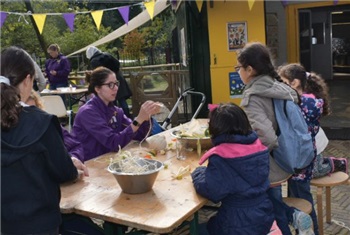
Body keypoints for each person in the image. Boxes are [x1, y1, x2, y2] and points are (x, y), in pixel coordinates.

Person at [238, 42, 314, 235]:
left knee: (270, 212)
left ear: (249, 69)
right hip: (289, 156)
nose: (238, 71)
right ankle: (292, 217)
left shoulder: (253, 96)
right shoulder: (280, 86)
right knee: (275, 207)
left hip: (269, 166)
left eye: (239, 67)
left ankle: (288, 219)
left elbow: (268, 139)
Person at [1, 46, 78, 235]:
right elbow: (64, 172)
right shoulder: (41, 121)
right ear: (28, 80)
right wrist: (72, 165)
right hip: (40, 221)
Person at [191, 103, 274, 235]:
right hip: (264, 215)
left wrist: (197, 173)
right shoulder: (258, 148)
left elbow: (211, 191)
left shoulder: (221, 158)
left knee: (196, 231)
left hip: (236, 223)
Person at [278, 63, 347, 188]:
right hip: (307, 150)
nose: (281, 86)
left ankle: (336, 164)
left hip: (309, 149)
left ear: (294, 83)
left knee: (314, 173)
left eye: (283, 82)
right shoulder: (299, 101)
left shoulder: (304, 104)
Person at [72, 66, 161, 161]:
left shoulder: (115, 110)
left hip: (109, 160)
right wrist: (138, 120)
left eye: (116, 83)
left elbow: (139, 136)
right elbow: (113, 143)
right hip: (89, 165)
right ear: (97, 89)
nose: (116, 88)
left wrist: (146, 118)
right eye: (110, 85)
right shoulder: (87, 113)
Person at [26, 90, 88, 170]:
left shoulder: (50, 126)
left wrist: (72, 159)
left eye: (35, 110)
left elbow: (75, 146)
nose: (31, 116)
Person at [86, 46, 133, 118]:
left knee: (111, 101)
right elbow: (117, 63)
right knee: (122, 99)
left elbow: (98, 74)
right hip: (117, 77)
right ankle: (127, 117)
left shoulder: (94, 61)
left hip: (107, 82)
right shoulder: (107, 55)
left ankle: (115, 118)